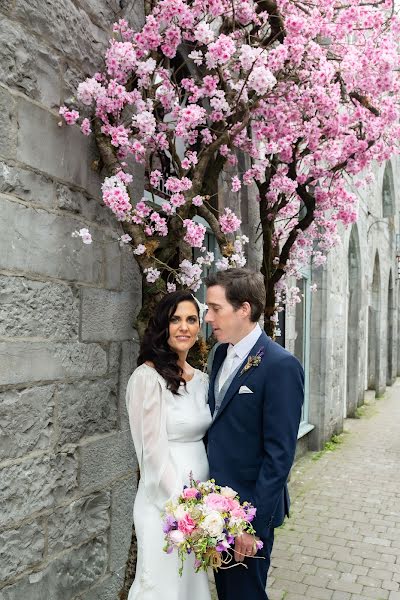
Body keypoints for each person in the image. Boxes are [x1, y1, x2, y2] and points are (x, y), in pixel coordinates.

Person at [205, 268, 304, 600]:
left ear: (244, 309)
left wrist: (251, 524)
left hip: (248, 511)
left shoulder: (281, 366)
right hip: (215, 507)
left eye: (215, 308)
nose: (208, 317)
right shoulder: (220, 353)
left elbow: (280, 455)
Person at [126, 290, 212, 600]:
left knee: (190, 588)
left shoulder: (202, 380)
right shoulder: (147, 378)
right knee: (163, 589)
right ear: (163, 325)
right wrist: (182, 509)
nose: (184, 327)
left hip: (201, 508)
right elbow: (151, 453)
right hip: (164, 505)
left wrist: (206, 509)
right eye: (175, 319)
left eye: (191, 319)